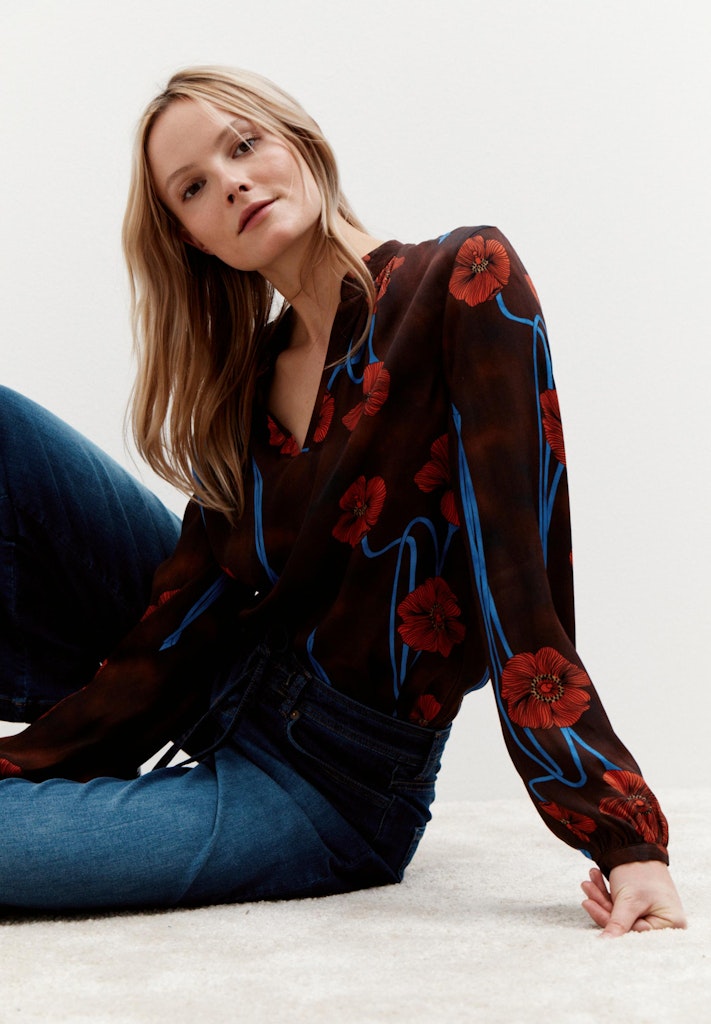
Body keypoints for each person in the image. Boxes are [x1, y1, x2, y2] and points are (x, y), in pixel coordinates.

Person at [0, 66, 685, 934]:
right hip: (227, 675)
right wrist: (32, 761)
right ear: (192, 239)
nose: (231, 183)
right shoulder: (248, 380)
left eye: (244, 145)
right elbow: (181, 617)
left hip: (326, 785)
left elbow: (518, 582)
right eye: (193, 188)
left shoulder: (462, 280)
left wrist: (626, 843)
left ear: (300, 142)